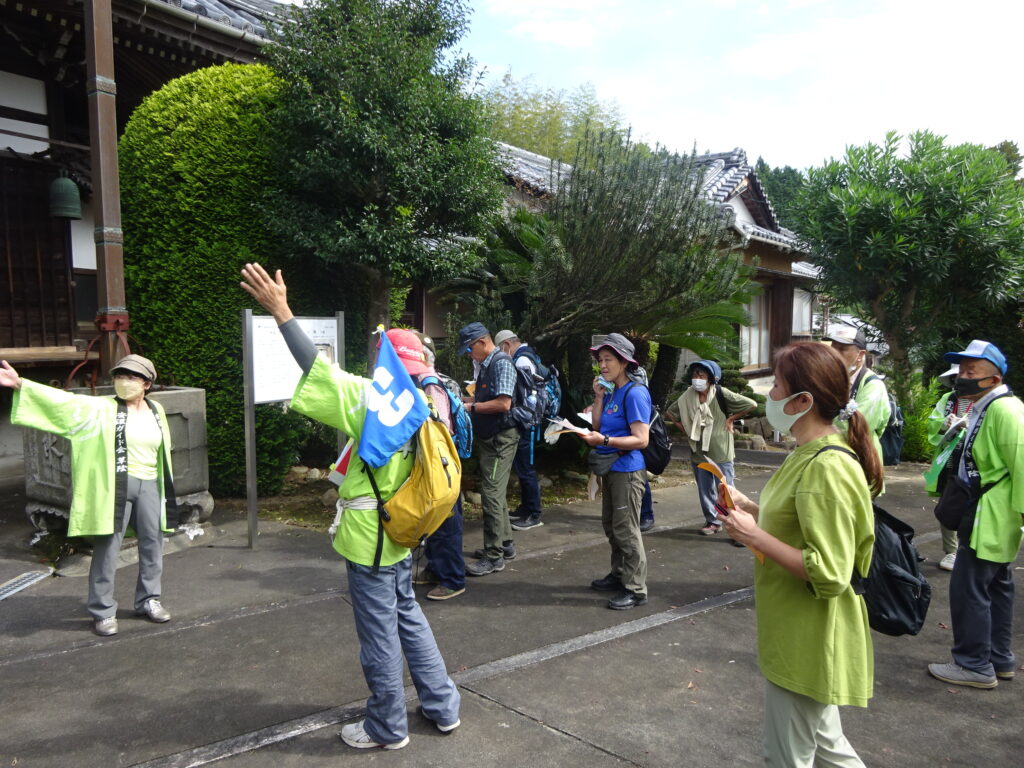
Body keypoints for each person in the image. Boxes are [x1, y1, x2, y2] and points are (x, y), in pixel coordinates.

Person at [240, 263, 460, 750]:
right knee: (408, 615)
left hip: (370, 535)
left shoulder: (373, 399)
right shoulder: (430, 401)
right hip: (404, 529)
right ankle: (443, 706)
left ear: (387, 362)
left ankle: (386, 727)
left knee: (379, 634)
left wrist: (281, 311)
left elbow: (316, 370)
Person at [720, 341, 880, 766]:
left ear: (803, 401)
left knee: (787, 757)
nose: (769, 395)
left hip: (809, 638)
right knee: (829, 750)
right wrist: (753, 511)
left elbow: (830, 572)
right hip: (799, 633)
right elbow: (799, 522)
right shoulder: (808, 453)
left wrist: (755, 537)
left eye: (777, 386)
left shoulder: (825, 466)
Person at [1, 354, 176, 636]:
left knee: (153, 544)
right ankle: (103, 610)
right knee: (108, 547)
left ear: (146, 384)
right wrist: (21, 384)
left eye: (132, 377)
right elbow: (64, 403)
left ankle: (149, 599)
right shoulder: (101, 408)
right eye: (120, 375)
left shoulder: (157, 410)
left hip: (150, 484)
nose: (124, 381)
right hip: (114, 485)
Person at [927, 340, 1024, 690]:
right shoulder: (987, 407)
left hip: (990, 516)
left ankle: (973, 664)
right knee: (996, 587)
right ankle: (998, 660)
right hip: (989, 514)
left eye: (972, 371)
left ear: (994, 379)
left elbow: (1021, 464)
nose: (962, 377)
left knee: (969, 591)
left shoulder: (1005, 410)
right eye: (961, 370)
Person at [581, 333, 651, 610]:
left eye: (608, 359)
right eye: (600, 360)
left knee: (626, 529)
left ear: (624, 362)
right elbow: (598, 426)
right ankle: (619, 573)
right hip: (611, 469)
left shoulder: (635, 393)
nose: (603, 365)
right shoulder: (612, 391)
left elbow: (641, 439)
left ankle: (635, 588)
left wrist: (606, 441)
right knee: (611, 525)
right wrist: (598, 397)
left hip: (628, 471)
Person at [665, 360, 755, 535]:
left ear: (711, 378)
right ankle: (713, 521)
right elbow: (671, 412)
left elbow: (751, 404)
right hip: (698, 451)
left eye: (701, 375)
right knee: (705, 490)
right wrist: (685, 429)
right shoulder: (687, 396)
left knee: (726, 490)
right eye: (695, 375)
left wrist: (731, 419)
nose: (697, 379)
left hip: (721, 450)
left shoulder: (721, 393)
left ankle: (735, 525)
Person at [459, 322, 518, 576]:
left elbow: (504, 404)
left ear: (482, 342)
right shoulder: (487, 364)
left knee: (491, 494)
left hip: (500, 439)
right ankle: (505, 544)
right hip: (491, 436)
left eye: (469, 349)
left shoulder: (501, 363)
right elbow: (486, 398)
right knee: (496, 491)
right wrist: (464, 400)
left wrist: (470, 407)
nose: (469, 355)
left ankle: (494, 556)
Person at [413, 333, 466, 601]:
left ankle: (453, 579)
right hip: (436, 462)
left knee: (446, 520)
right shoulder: (430, 381)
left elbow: (440, 429)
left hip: (440, 463)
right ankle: (436, 568)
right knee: (433, 520)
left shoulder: (430, 384)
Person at [495, 329, 544, 531]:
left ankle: (534, 514)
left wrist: (518, 415)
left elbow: (525, 394)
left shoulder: (522, 360)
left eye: (500, 349)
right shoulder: (529, 355)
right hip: (528, 421)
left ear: (506, 345)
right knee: (523, 467)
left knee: (526, 468)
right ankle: (525, 509)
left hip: (527, 422)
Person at [824, 325, 890, 470]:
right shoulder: (830, 380)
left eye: (842, 349)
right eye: (833, 348)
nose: (834, 354)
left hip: (859, 462)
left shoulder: (873, 386)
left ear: (860, 355)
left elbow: (857, 426)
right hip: (829, 460)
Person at [925, 363, 969, 571]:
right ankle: (951, 551)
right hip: (949, 460)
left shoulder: (984, 401)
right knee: (947, 503)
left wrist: (968, 424)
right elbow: (933, 422)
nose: (958, 383)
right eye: (955, 379)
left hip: (972, 462)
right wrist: (945, 422)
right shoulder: (948, 399)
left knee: (971, 506)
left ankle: (967, 550)